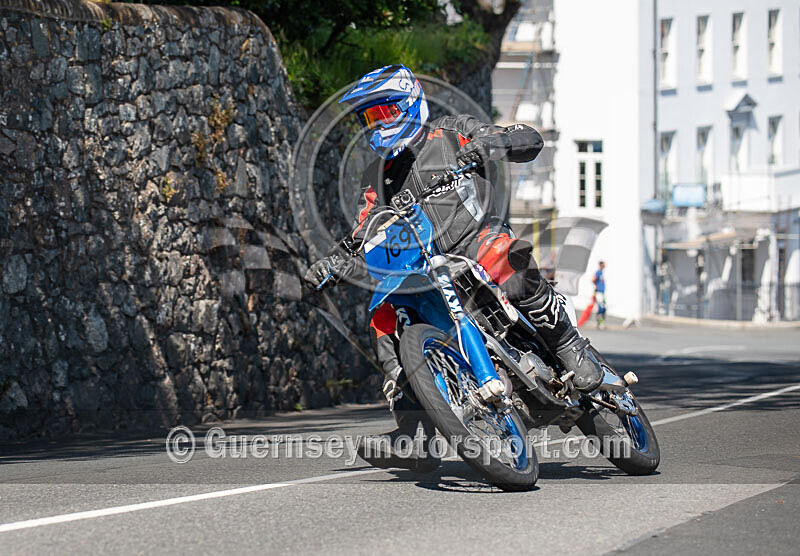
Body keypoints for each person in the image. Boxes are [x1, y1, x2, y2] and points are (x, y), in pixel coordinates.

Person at [304, 65, 604, 471]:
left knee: (505, 258)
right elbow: (364, 229)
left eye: (384, 112)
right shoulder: (376, 179)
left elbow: (528, 139)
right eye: (369, 118)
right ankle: (416, 432)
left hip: (477, 239)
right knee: (386, 315)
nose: (378, 124)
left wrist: (492, 143)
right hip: (424, 265)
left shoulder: (450, 132)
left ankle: (569, 346)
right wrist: (335, 261)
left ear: (409, 103)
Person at [592, 261, 607, 329]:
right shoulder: (598, 272)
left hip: (602, 292)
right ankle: (600, 323)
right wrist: (596, 286)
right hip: (599, 292)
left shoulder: (602, 273)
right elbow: (593, 279)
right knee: (601, 308)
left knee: (603, 308)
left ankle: (600, 322)